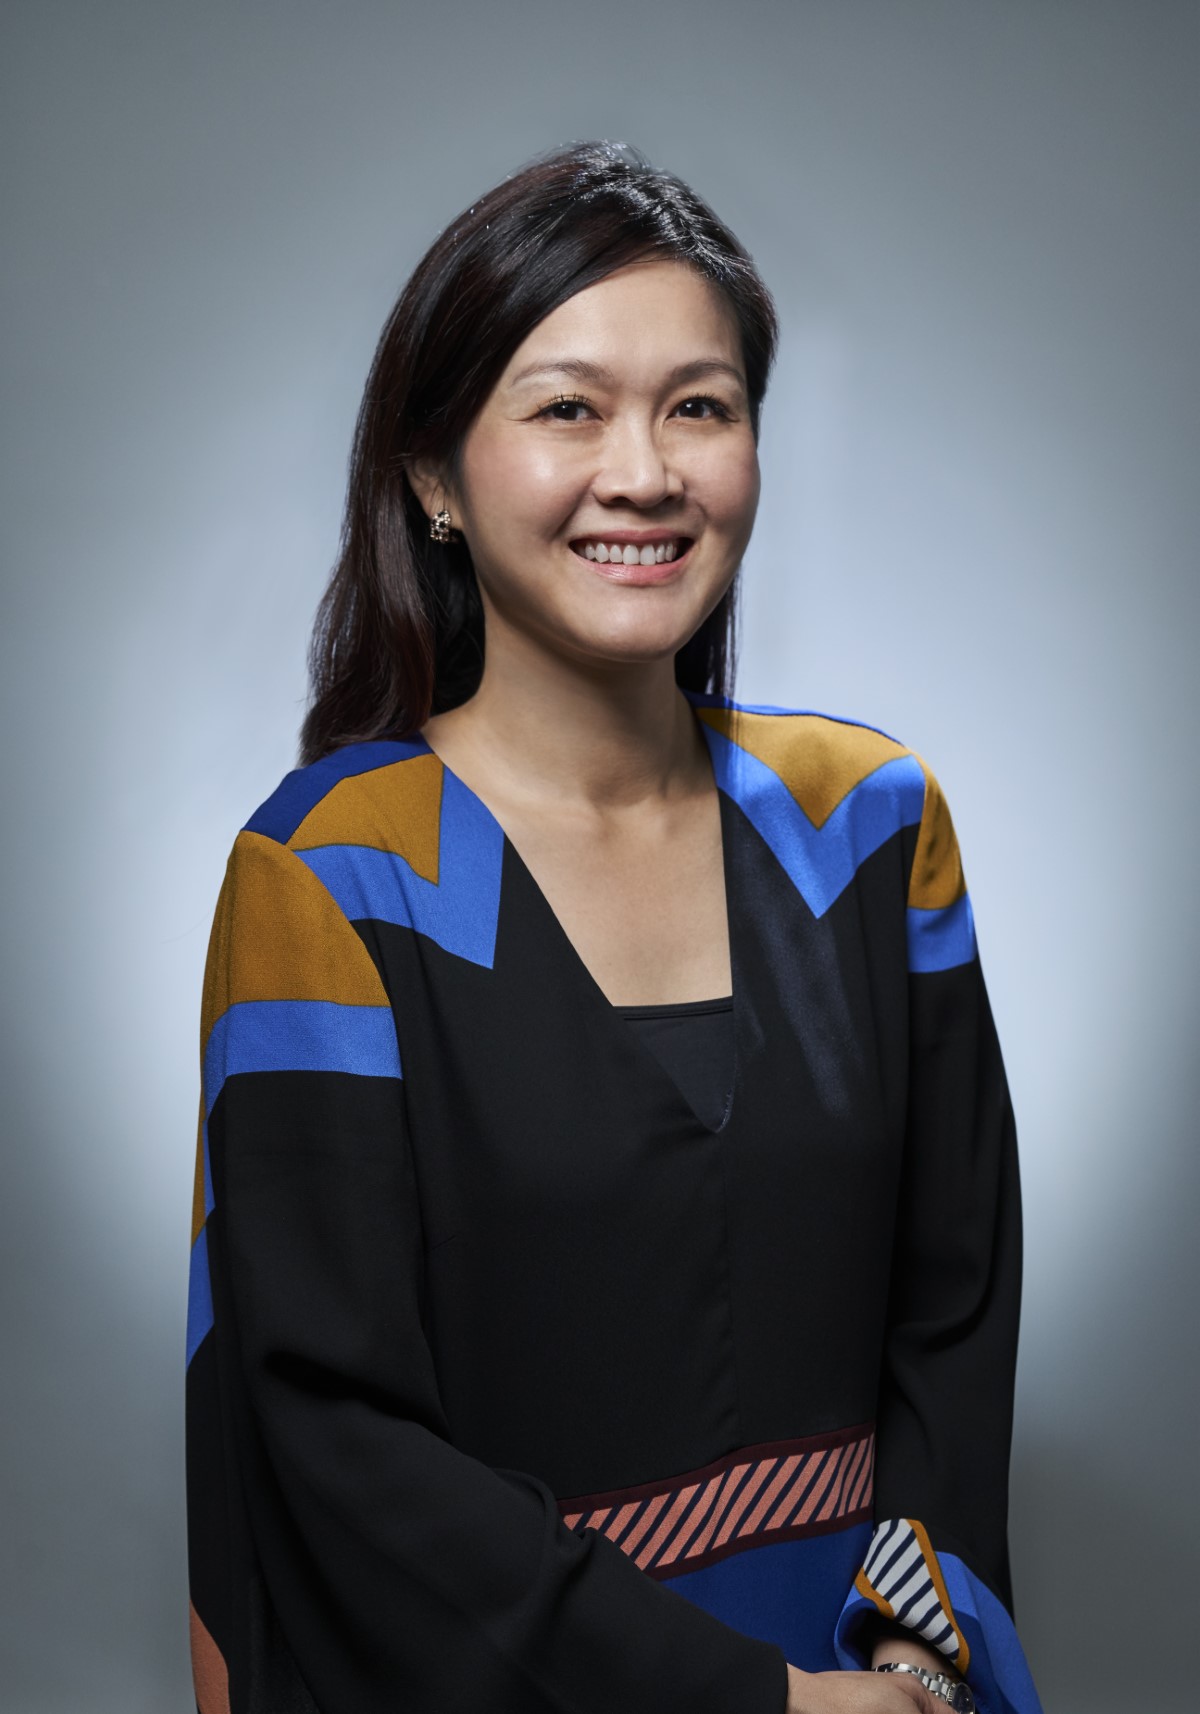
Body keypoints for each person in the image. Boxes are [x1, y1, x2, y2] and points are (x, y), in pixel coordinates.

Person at [185, 141, 1042, 1714]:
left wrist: (909, 1654)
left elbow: (957, 1305)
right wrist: (761, 1705)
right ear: (436, 478)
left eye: (699, 406)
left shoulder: (870, 826)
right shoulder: (332, 877)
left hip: (878, 1666)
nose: (644, 471)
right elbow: (334, 1438)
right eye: (568, 406)